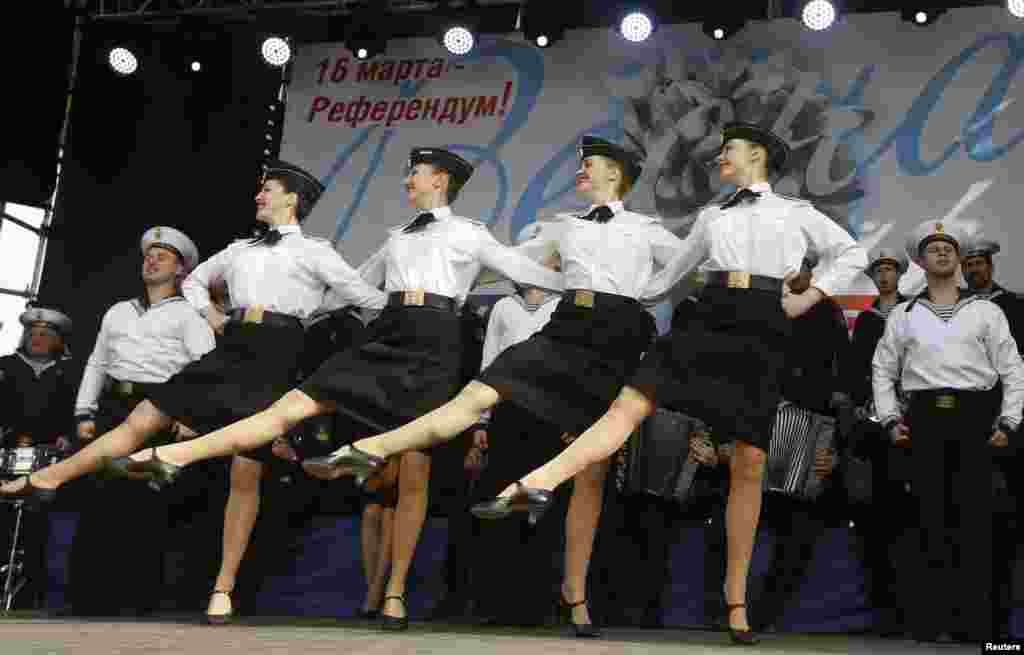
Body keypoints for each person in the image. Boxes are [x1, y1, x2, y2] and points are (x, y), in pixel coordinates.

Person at [113, 147, 563, 630]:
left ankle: (395, 593)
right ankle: (308, 452)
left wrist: (589, 285)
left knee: (415, 466)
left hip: (438, 340)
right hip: (392, 328)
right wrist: (298, 305)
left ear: (441, 181)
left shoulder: (470, 235)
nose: (408, 180)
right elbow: (356, 287)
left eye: (415, 173)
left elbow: (523, 270)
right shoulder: (395, 239)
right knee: (314, 396)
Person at [451, 122, 865, 645]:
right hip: (706, 319)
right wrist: (612, 290)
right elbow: (669, 281)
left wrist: (808, 297)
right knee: (626, 408)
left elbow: (851, 254)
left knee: (750, 460)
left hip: (762, 327)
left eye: (728, 151)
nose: (719, 158)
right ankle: (539, 482)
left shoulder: (798, 215)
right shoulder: (712, 217)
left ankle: (737, 604)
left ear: (757, 155)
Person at [873, 220, 1024, 643]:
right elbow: (882, 371)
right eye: (933, 247)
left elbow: (1014, 370)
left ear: (959, 258)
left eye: (949, 247)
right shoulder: (903, 314)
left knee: (976, 524)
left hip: (976, 420)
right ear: (919, 261)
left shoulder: (987, 311)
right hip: (923, 421)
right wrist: (889, 420)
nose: (942, 252)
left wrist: (1008, 421)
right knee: (925, 520)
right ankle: (926, 622)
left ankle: (975, 626)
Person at [844, 248, 914, 636]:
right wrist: (858, 404)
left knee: (910, 516)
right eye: (879, 271)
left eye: (890, 270)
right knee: (876, 517)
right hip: (874, 424)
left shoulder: (914, 311)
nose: (884, 276)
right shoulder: (868, 320)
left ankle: (911, 610)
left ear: (899, 275)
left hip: (913, 421)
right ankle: (883, 612)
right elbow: (857, 368)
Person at [960, 236, 1024, 638]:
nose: (973, 270)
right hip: (968, 422)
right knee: (972, 521)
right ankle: (975, 620)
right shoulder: (957, 308)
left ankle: (1004, 624)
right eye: (968, 264)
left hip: (1010, 423)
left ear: (991, 266)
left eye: (979, 263)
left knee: (1009, 523)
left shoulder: (1015, 306)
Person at [0, 307, 76, 452]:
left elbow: (79, 411)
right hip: (5, 447)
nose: (36, 339)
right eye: (31, 334)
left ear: (58, 341)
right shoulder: (4, 365)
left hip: (50, 453)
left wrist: (68, 437)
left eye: (44, 335)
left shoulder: (72, 372)